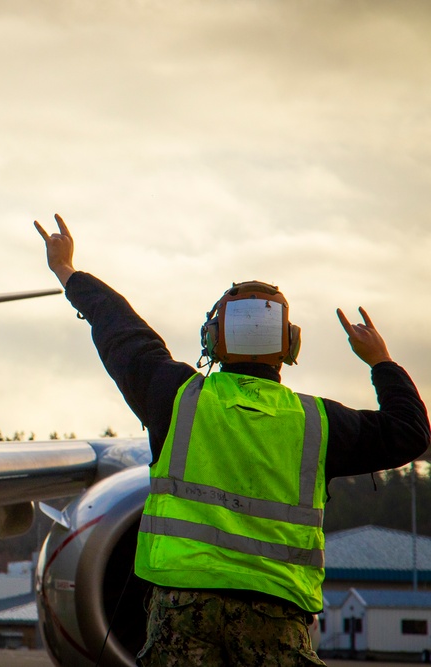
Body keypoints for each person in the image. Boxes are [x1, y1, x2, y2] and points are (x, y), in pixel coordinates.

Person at [35, 214, 430, 666]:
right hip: (277, 619)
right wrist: (380, 361)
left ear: (211, 340)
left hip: (183, 615)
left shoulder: (177, 399)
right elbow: (410, 433)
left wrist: (67, 271)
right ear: (291, 345)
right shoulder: (319, 423)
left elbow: (120, 330)